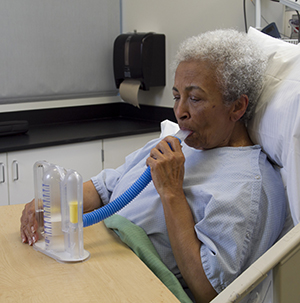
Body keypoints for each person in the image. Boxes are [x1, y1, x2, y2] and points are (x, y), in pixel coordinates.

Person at [20, 29, 287, 303]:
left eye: (195, 98)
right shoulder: (173, 144)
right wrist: (52, 204)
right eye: (176, 96)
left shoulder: (248, 186)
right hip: (92, 261)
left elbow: (209, 291)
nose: (180, 111)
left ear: (237, 107)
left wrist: (171, 192)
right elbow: (104, 190)